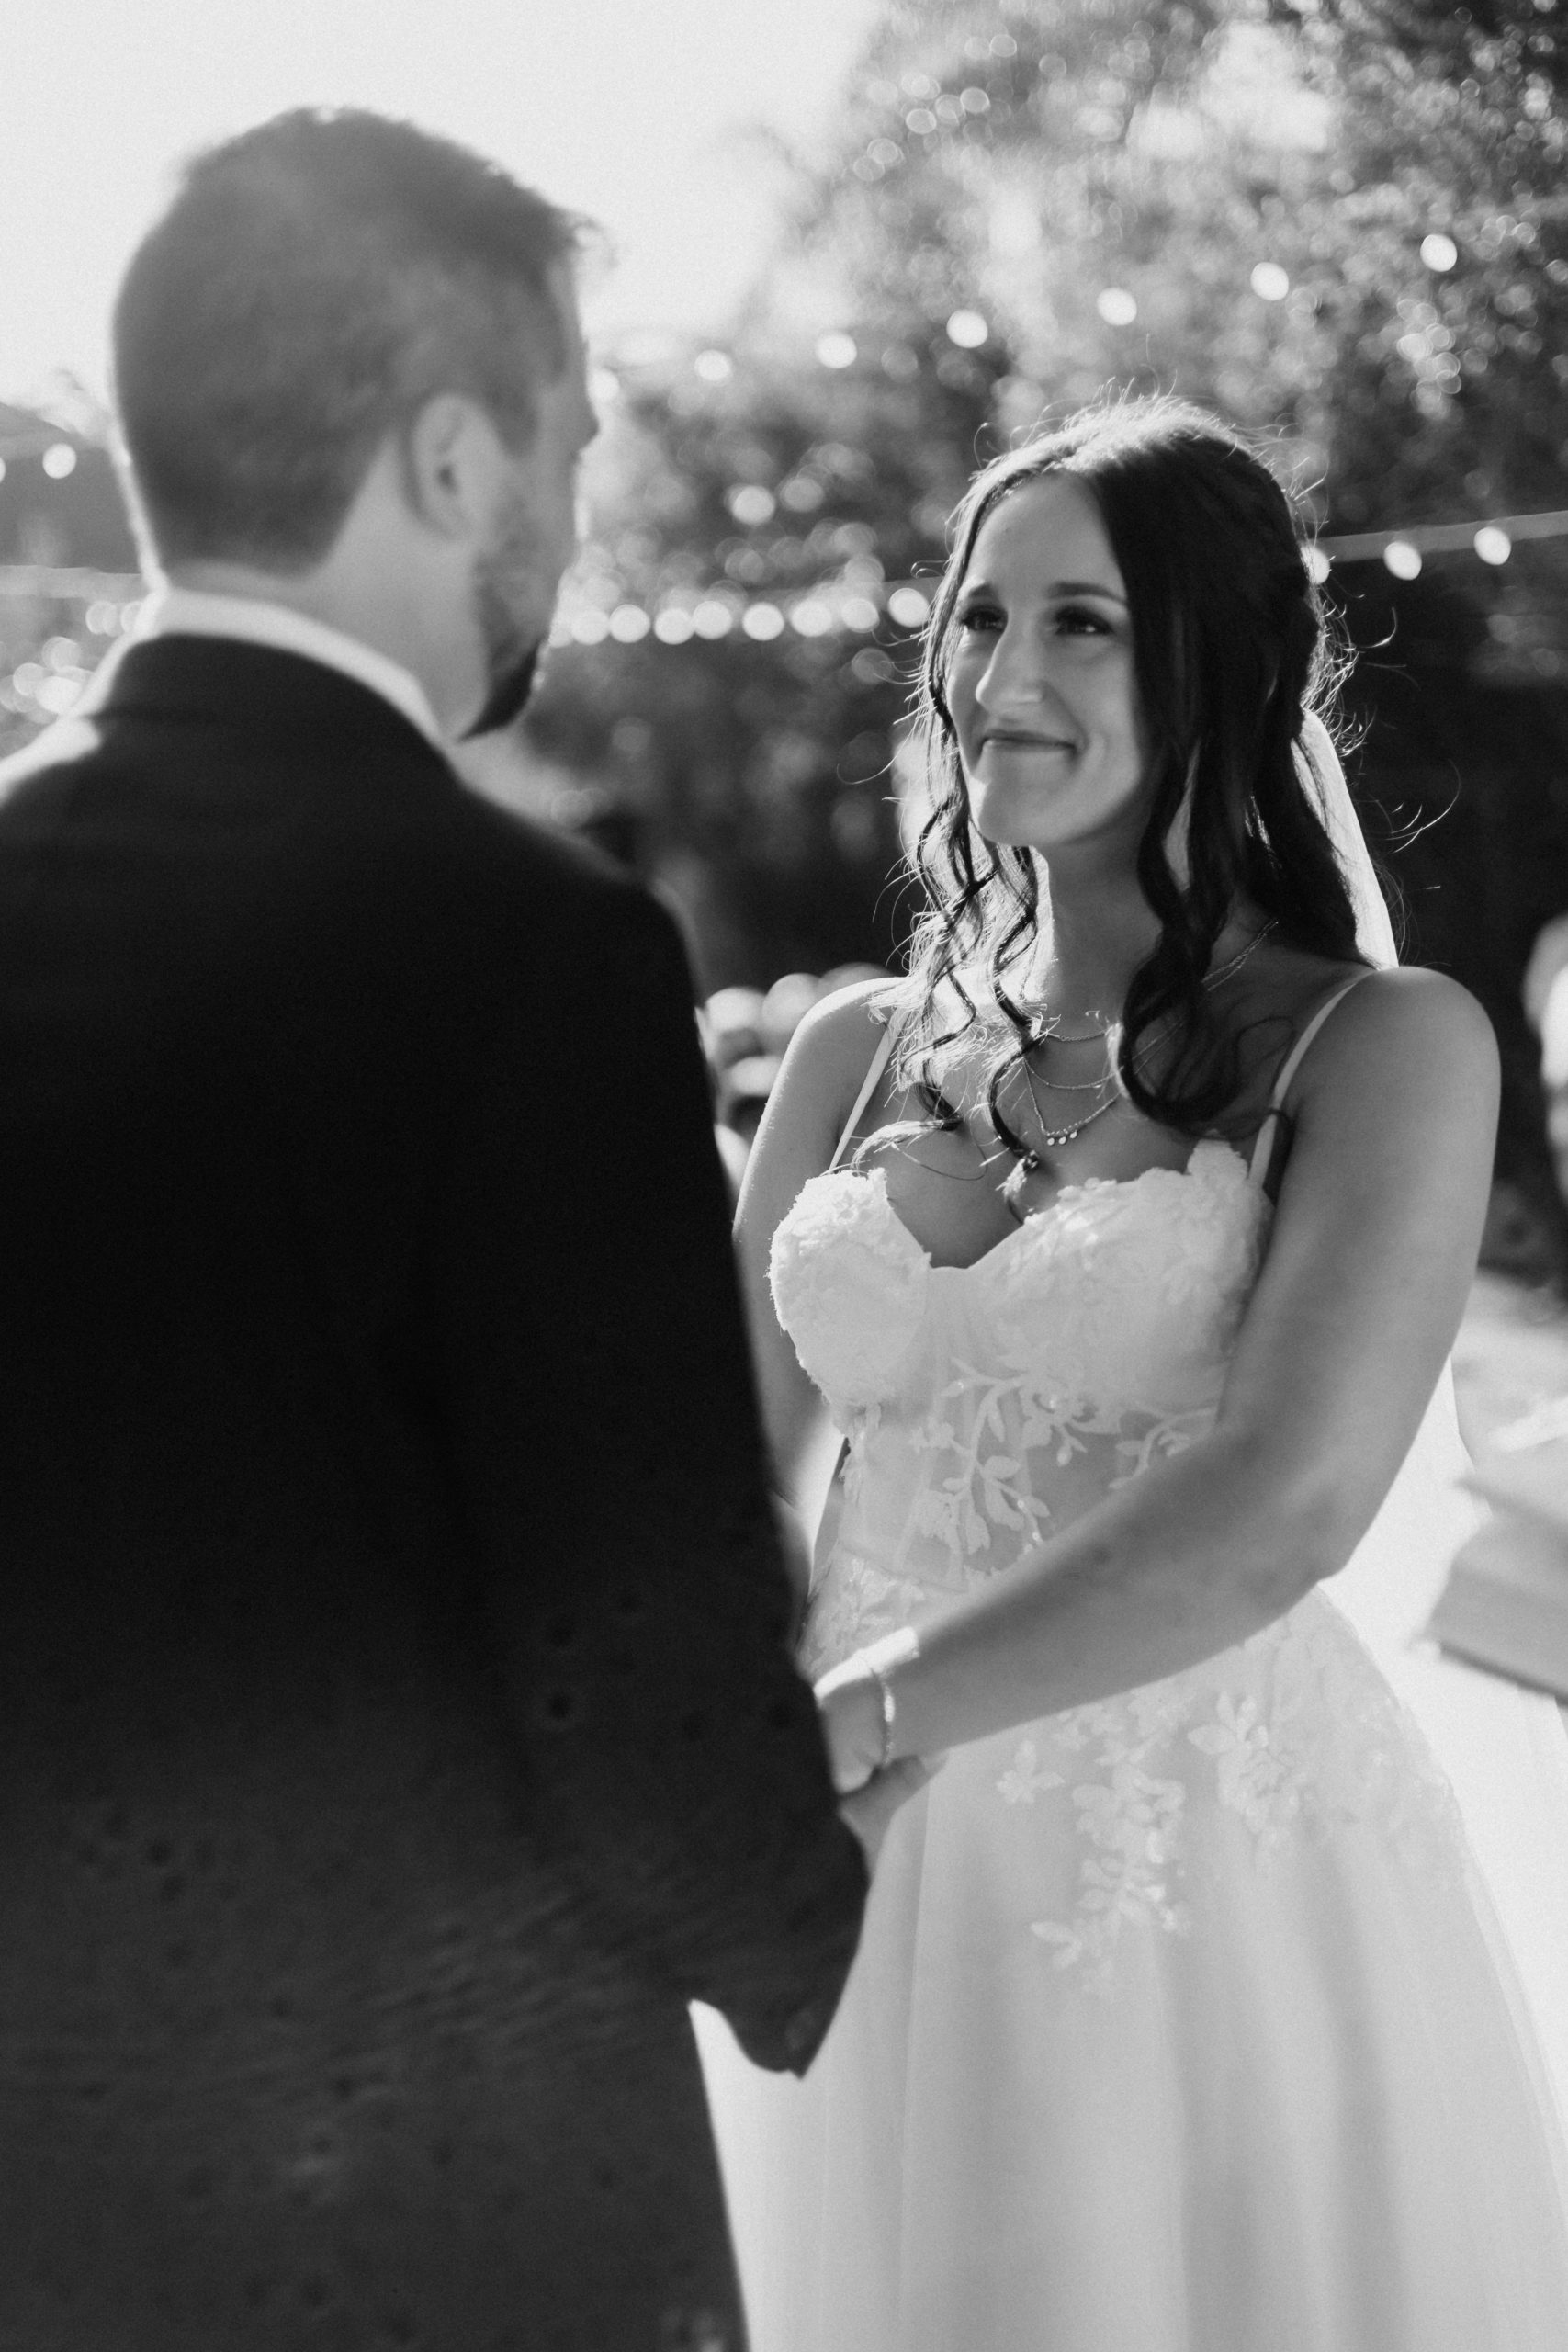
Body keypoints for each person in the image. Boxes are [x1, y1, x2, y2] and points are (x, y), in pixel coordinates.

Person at [0, 109, 899, 2350]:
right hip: (446, 2197)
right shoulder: (524, 952)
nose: (575, 516)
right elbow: (629, 1654)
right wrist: (809, 1900)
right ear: (446, 458)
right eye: (568, 442)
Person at [697, 396, 1568, 2352]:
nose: (999, 677)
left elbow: (1282, 1505)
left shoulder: (1379, 1047)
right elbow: (724, 1469)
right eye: (978, 617)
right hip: (849, 1863)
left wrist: (860, 1722)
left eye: (1079, 623)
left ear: (1222, 666)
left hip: (1188, 1870)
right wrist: (744, 1744)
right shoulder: (849, 1049)